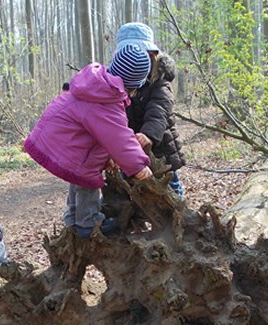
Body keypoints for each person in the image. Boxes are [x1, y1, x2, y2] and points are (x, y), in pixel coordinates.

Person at [25, 44, 153, 238]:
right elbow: (120, 139)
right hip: (66, 146)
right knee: (88, 181)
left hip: (56, 141)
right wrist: (139, 167)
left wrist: (106, 158)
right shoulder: (105, 101)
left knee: (77, 179)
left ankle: (73, 218)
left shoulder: (95, 85)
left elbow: (100, 134)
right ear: (133, 84)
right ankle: (88, 222)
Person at [117, 22, 186, 198]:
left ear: (152, 55)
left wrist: (148, 134)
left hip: (161, 151)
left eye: (141, 54)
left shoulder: (160, 83)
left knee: (171, 191)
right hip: (131, 151)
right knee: (127, 191)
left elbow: (159, 111)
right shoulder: (123, 82)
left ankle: (182, 219)